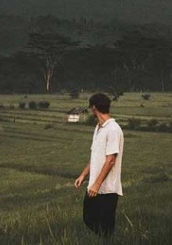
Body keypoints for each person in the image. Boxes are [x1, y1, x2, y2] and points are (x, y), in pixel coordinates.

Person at [74, 92, 124, 238]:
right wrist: (83, 175)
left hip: (107, 189)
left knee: (106, 229)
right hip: (94, 186)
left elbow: (110, 160)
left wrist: (97, 184)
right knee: (88, 218)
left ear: (94, 108)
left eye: (91, 108)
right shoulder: (99, 128)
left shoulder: (113, 129)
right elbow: (95, 157)